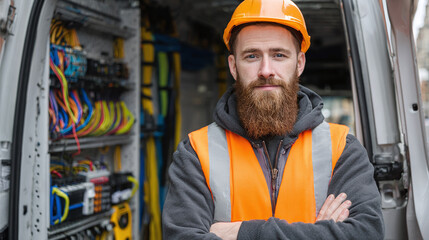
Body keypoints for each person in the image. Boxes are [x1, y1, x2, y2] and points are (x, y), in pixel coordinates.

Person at [162, 0, 384, 239]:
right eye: (251, 56)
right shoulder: (196, 153)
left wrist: (242, 233)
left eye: (279, 55)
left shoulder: (341, 149)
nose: (266, 70)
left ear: (299, 63)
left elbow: (366, 233)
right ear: (233, 66)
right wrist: (319, 232)